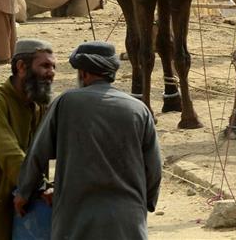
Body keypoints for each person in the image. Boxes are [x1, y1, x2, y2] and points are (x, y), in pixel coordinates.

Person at [15, 41, 162, 240]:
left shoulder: (65, 102)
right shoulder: (139, 109)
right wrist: (145, 203)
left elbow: (37, 153)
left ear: (83, 74)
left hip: (75, 220)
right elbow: (154, 168)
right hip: (127, 220)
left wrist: (24, 193)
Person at [0, 39, 55, 239]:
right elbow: (9, 154)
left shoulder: (38, 104)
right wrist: (39, 187)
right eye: (45, 66)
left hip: (23, 197)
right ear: (21, 67)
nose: (51, 72)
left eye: (53, 67)